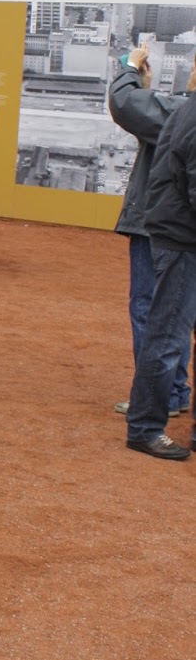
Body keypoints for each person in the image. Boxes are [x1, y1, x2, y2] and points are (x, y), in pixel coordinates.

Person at [108, 44, 194, 419]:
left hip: (160, 225)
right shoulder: (182, 111)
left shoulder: (183, 112)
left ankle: (159, 395)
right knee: (175, 311)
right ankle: (173, 389)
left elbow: (125, 104)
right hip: (175, 227)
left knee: (151, 309)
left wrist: (130, 67)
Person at [124, 81, 196, 462]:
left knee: (168, 332)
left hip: (179, 235)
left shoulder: (185, 111)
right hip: (183, 239)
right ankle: (145, 427)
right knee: (166, 335)